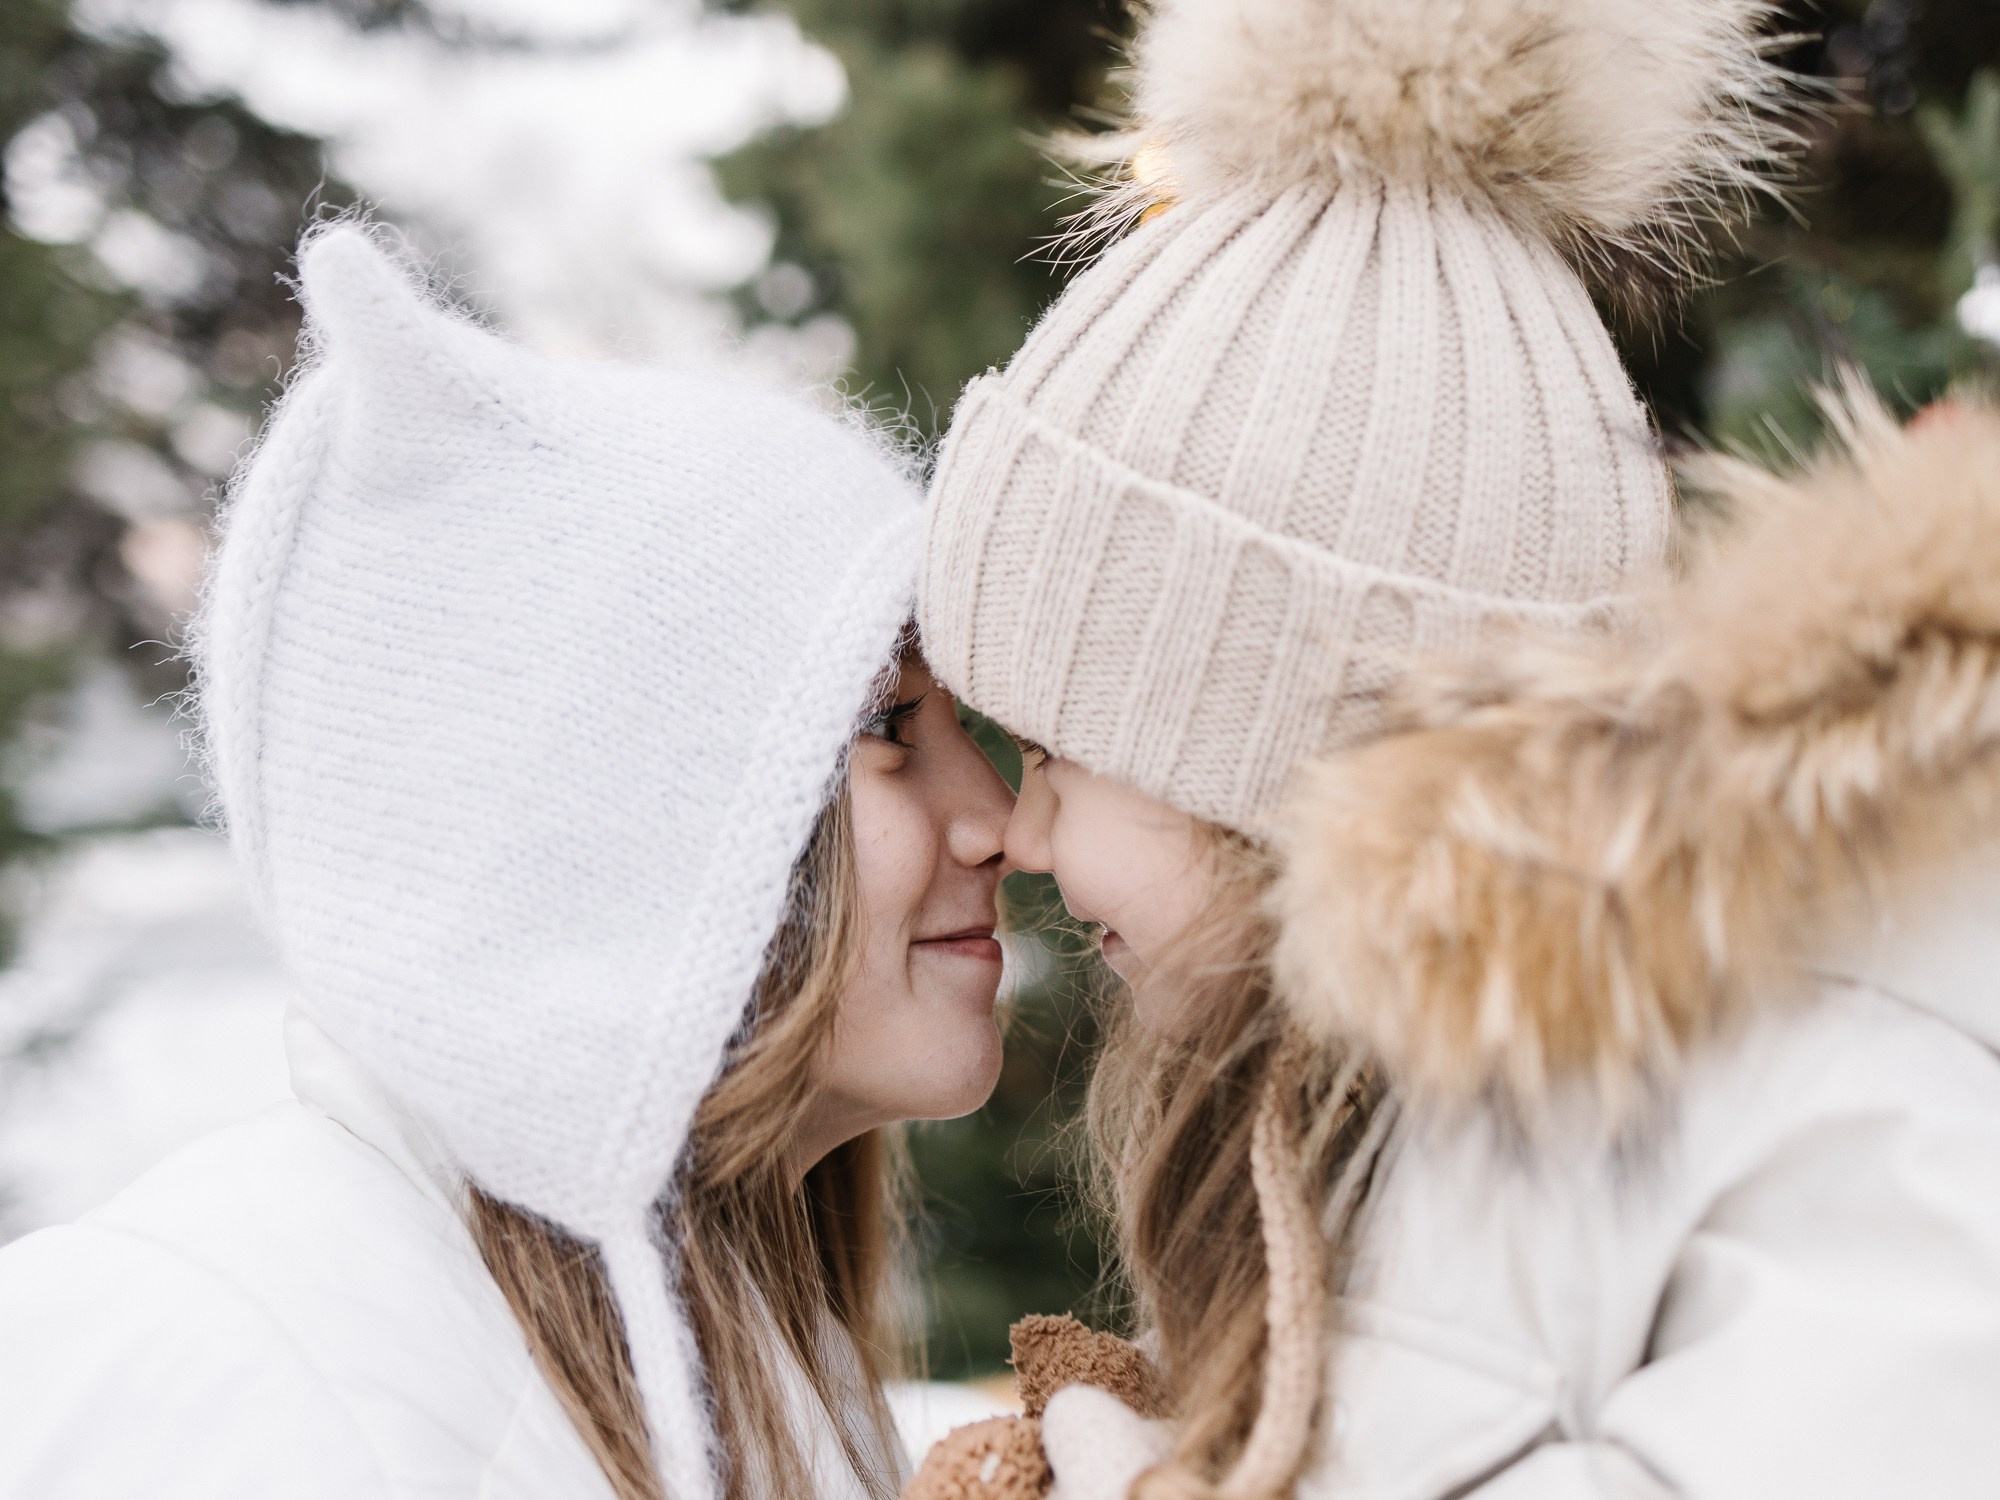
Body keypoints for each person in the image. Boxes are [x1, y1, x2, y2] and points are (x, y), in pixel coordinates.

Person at [914, 1, 2000, 1496]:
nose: (1021, 839)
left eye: (1056, 756)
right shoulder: (1385, 1120)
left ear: (1261, 748)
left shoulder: (1808, 1077)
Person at [0, 225, 1015, 1500]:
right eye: (887, 725)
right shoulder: (205, 1357)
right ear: (623, 825)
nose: (999, 821)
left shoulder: (732, 1341)